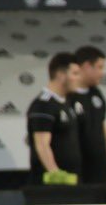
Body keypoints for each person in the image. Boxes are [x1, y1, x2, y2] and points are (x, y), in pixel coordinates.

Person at [69, 45, 106, 185]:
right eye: (100, 67)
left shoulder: (96, 94)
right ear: (87, 66)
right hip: (79, 171)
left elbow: (103, 129)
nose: (102, 73)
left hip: (101, 170)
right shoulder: (67, 97)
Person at [27, 52, 82, 185]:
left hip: (72, 180)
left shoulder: (67, 102)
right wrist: (55, 174)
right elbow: (41, 144)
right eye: (75, 73)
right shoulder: (43, 105)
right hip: (52, 185)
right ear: (61, 75)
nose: (79, 78)